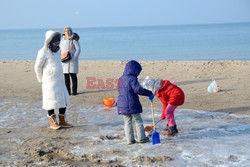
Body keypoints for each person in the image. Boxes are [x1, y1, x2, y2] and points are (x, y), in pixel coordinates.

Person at [34, 30, 72, 130]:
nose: (57, 44)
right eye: (55, 43)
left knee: (63, 100)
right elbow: (37, 67)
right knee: (51, 101)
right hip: (49, 81)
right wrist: (41, 79)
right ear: (49, 41)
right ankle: (53, 122)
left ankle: (62, 121)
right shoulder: (43, 52)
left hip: (59, 80)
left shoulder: (57, 51)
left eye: (58, 42)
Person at [117, 60, 154, 145]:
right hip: (132, 102)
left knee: (127, 121)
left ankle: (130, 139)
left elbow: (119, 90)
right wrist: (149, 93)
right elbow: (138, 90)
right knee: (138, 120)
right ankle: (141, 138)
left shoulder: (121, 78)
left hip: (122, 103)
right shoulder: (132, 78)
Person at [60, 26, 81, 95]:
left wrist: (74, 57)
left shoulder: (74, 39)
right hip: (64, 60)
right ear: (64, 32)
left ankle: (74, 91)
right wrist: (60, 57)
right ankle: (67, 92)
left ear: (71, 31)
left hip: (72, 61)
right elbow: (60, 50)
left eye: (68, 31)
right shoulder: (62, 40)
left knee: (73, 76)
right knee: (66, 77)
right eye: (66, 31)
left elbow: (78, 49)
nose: (67, 32)